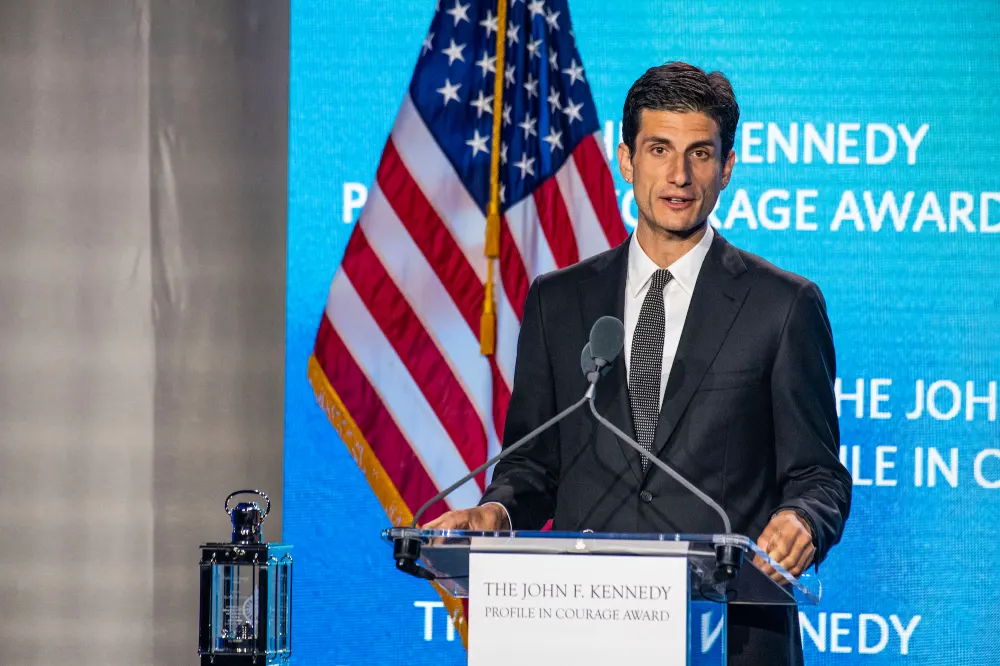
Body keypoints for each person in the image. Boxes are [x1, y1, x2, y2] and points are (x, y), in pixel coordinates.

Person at [426, 61, 852, 665]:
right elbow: (532, 466)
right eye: (659, 149)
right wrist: (494, 510)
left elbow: (819, 476)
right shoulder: (559, 301)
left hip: (728, 639)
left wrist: (802, 519)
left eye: (700, 153)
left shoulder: (782, 307)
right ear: (626, 160)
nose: (679, 175)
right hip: (582, 632)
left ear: (727, 168)